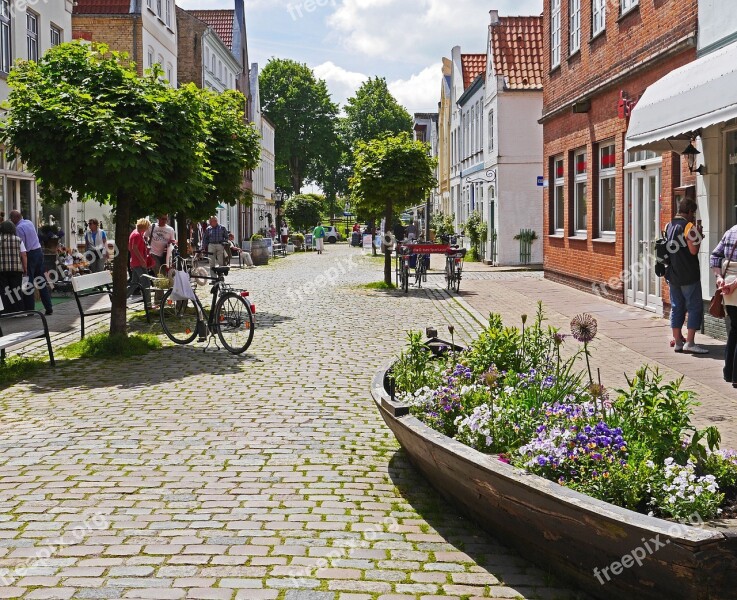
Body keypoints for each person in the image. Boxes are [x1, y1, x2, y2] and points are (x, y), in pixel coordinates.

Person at [665, 198, 707, 354]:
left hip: (673, 275)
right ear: (689, 211)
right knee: (694, 307)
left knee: (676, 307)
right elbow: (693, 250)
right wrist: (699, 236)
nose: (693, 216)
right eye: (693, 213)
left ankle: (677, 342)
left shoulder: (669, 225)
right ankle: (689, 342)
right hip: (688, 275)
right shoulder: (688, 226)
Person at [9, 210, 53, 315]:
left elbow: (22, 247)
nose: (11, 221)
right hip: (38, 252)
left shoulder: (19, 228)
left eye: (11, 219)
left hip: (30, 255)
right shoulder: (29, 222)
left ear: (15, 218)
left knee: (28, 282)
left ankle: (30, 310)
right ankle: (49, 307)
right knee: (41, 281)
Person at [711, 224, 737, 384]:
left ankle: (728, 373)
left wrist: (719, 278)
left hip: (727, 286)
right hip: (733, 285)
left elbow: (714, 256)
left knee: (734, 329)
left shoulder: (731, 231)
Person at [0, 221, 27, 315]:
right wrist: (25, 268)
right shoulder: (18, 240)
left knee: (4, 291)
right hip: (16, 269)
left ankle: (6, 311)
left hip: (2, 270)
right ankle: (18, 310)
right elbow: (23, 255)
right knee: (16, 290)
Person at [128, 218, 151, 298]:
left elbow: (129, 247)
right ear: (143, 226)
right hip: (138, 263)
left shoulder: (135, 233)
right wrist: (142, 260)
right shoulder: (137, 235)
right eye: (147, 227)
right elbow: (134, 248)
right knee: (146, 283)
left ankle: (121, 299)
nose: (147, 228)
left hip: (135, 262)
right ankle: (148, 304)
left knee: (134, 283)